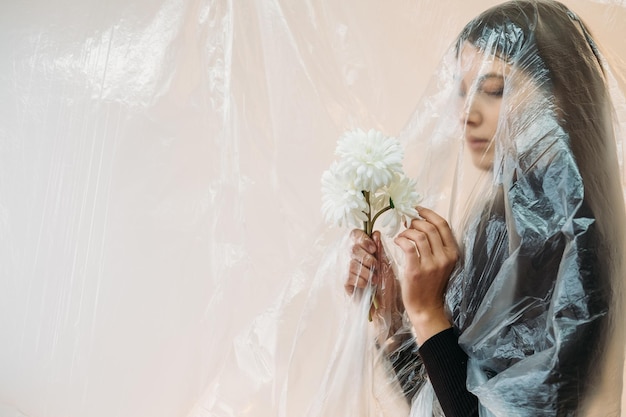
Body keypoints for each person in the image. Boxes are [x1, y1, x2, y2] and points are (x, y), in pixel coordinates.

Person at [346, 1, 626, 416]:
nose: (466, 114)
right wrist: (394, 321)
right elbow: (441, 401)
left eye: (493, 89)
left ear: (560, 97)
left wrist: (426, 311)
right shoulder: (500, 218)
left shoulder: (575, 244)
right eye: (462, 89)